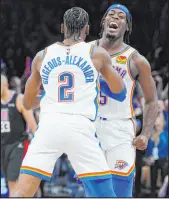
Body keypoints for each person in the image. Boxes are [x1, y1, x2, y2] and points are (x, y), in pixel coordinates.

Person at [11, 7, 126, 197]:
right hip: (80, 127)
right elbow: (120, 93)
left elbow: (28, 103)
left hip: (49, 126)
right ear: (87, 29)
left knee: (22, 192)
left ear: (63, 28)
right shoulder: (97, 53)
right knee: (105, 195)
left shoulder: (42, 56)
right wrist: (97, 85)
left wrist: (52, 98)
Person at [90, 4, 158, 197]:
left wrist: (145, 133)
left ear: (126, 27)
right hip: (90, 129)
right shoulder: (84, 51)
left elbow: (152, 100)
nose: (115, 18)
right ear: (104, 21)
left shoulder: (136, 60)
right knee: (95, 192)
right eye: (111, 14)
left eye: (121, 17)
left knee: (120, 192)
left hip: (120, 129)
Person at [1, 74, 37, 197]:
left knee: (13, 183)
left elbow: (33, 126)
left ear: (5, 85)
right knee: (9, 183)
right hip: (3, 146)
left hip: (18, 145)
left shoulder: (19, 99)